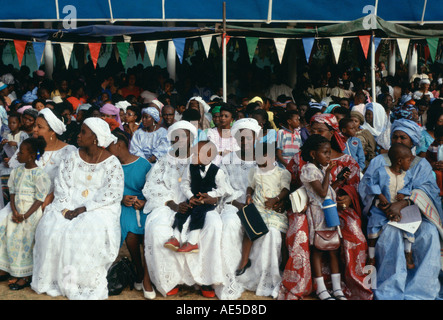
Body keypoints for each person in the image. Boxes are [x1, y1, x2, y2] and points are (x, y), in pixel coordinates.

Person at [279, 113, 372, 300]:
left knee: (354, 231)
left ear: (332, 133)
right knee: (300, 232)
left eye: (320, 130)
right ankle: (305, 283)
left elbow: (355, 186)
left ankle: (348, 285)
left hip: (337, 207)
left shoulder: (346, 160)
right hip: (310, 207)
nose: (316, 133)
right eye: (312, 130)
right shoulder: (302, 160)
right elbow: (293, 183)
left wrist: (346, 197)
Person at [31, 118, 124, 300]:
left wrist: (84, 208)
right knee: (52, 226)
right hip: (68, 203)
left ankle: (80, 282)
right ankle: (54, 280)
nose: (78, 136)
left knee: (86, 230)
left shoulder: (112, 163)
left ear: (95, 138)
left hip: (99, 208)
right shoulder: (72, 157)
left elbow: (111, 193)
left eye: (83, 132)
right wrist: (66, 208)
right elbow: (62, 185)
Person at [359, 118, 443, 300]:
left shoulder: (422, 164)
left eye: (403, 138)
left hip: (416, 214)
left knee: (429, 234)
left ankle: (420, 292)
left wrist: (403, 203)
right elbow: (366, 187)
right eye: (395, 137)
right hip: (383, 214)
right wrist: (385, 205)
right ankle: (390, 292)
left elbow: (428, 190)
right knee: (391, 235)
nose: (398, 140)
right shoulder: (378, 161)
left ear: (412, 141)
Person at [142, 120, 225, 298]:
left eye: (184, 136)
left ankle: (206, 279)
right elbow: (152, 187)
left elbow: (218, 184)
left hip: (200, 204)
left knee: (214, 225)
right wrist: (172, 204)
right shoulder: (164, 162)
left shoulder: (202, 157)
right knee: (157, 229)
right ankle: (171, 279)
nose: (180, 140)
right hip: (169, 205)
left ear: (191, 139)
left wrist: (205, 198)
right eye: (176, 136)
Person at [236, 142, 291, 298]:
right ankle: (244, 261)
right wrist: (248, 196)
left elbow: (285, 189)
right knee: (249, 228)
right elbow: (250, 187)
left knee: (274, 232)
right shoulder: (255, 171)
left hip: (273, 210)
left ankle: (278, 267)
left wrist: (276, 199)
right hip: (258, 207)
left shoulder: (281, 172)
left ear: (272, 157)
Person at [107, 128, 155, 299]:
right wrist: (121, 199)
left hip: (144, 205)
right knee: (131, 235)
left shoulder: (143, 164)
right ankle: (139, 270)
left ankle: (149, 275)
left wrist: (144, 202)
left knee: (149, 235)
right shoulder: (111, 165)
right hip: (124, 206)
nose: (106, 150)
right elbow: (107, 189)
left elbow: (153, 189)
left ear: (119, 145)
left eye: (109, 146)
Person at [217, 118, 261, 300]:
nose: (245, 141)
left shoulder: (262, 158)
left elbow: (270, 182)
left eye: (249, 138)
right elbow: (222, 185)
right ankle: (229, 273)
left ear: (255, 139)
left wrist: (254, 202)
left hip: (257, 204)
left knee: (267, 231)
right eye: (241, 138)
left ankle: (255, 275)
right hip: (232, 204)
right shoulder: (227, 159)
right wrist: (237, 203)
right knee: (229, 224)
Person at [299, 134, 347, 300]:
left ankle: (336, 288)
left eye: (329, 152)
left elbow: (328, 190)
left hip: (329, 212)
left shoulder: (318, 168)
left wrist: (338, 182)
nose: (329, 156)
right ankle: (320, 289)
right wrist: (328, 173)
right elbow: (321, 192)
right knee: (319, 249)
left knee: (333, 248)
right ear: (313, 154)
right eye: (325, 153)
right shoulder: (309, 169)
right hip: (318, 214)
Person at [164, 140, 232, 256]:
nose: (192, 156)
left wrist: (210, 195)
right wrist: (190, 197)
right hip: (193, 198)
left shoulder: (217, 172)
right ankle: (175, 236)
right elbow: (184, 184)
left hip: (208, 201)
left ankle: (192, 241)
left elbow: (223, 189)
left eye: (196, 154)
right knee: (183, 210)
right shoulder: (190, 168)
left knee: (198, 212)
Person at [0, 137, 50, 290]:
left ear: (32, 155)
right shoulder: (17, 171)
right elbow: (13, 192)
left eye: (20, 153)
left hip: (31, 214)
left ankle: (25, 275)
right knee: (7, 232)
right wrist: (15, 211)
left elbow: (40, 199)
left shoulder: (39, 175)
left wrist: (26, 215)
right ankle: (8, 268)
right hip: (17, 211)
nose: (17, 156)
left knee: (25, 239)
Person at [365, 143, 415, 270]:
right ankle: (371, 256)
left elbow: (410, 187)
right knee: (373, 226)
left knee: (409, 227)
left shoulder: (407, 175)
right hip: (382, 208)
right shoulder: (381, 171)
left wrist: (404, 194)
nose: (410, 163)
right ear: (399, 161)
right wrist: (380, 196)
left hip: (401, 209)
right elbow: (371, 184)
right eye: (409, 160)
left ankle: (407, 253)